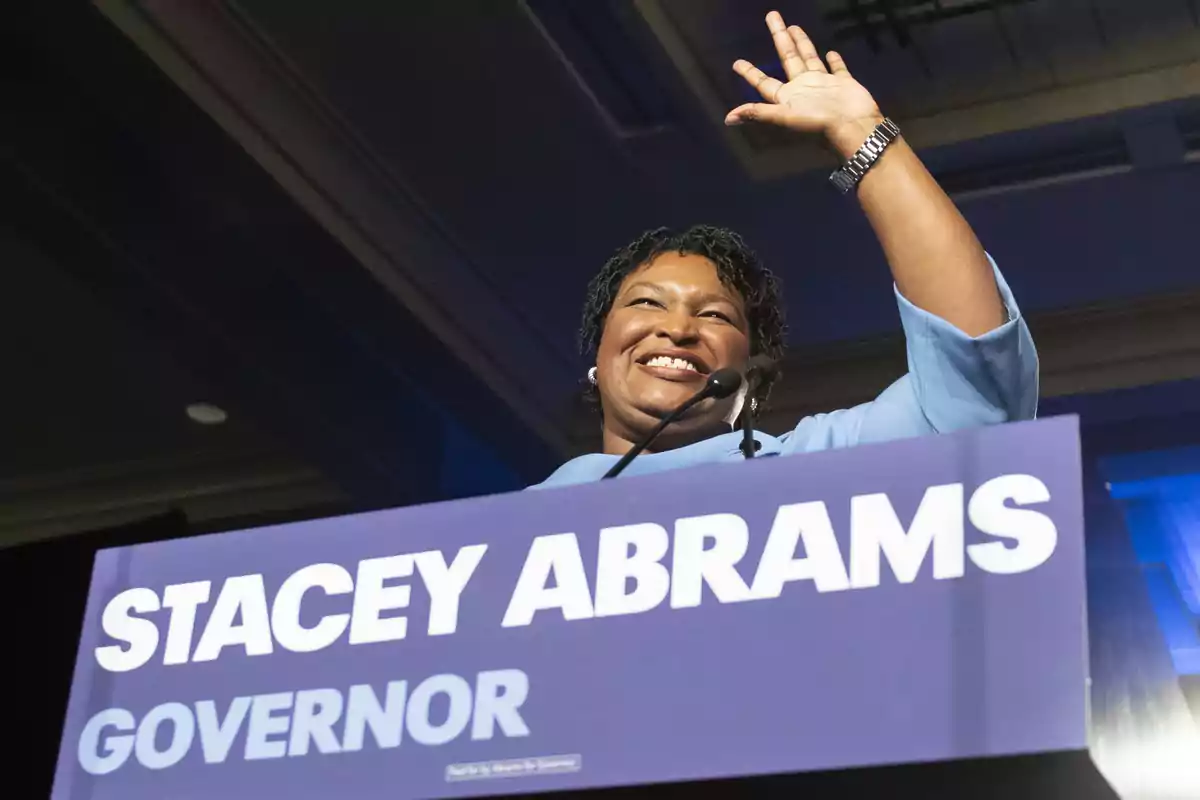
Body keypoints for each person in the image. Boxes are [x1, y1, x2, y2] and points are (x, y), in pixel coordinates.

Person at [533, 11, 1038, 489]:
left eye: (715, 316)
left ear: (749, 378)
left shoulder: (810, 471)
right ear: (599, 351)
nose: (679, 329)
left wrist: (859, 134)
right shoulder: (498, 537)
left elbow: (975, 393)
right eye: (646, 302)